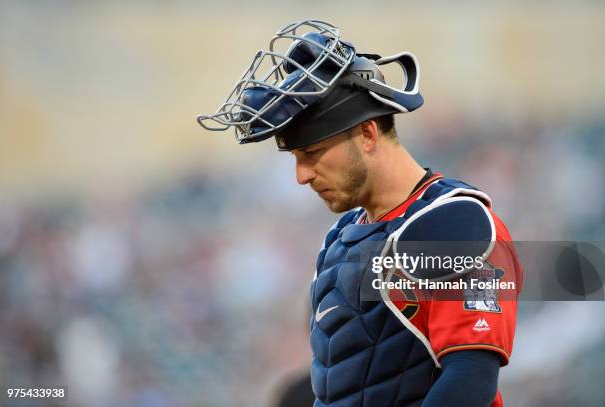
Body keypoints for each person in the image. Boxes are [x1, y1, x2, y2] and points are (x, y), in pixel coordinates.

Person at [198, 20, 522, 407]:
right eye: (296, 157)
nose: (301, 175)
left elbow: (470, 381)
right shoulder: (342, 237)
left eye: (312, 154)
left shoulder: (452, 224)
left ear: (367, 134)